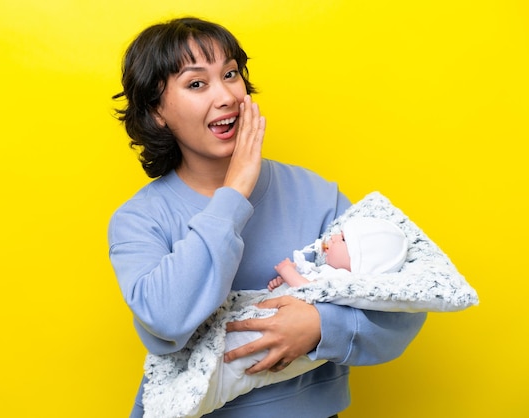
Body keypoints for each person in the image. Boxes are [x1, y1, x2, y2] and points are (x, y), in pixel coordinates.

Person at [108, 16, 427, 418]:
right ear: (156, 112)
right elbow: (166, 319)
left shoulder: (316, 195)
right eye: (196, 83)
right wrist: (234, 194)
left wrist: (321, 327)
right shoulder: (139, 219)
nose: (225, 96)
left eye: (230, 74)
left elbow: (405, 306)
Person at [269, 217, 409, 291]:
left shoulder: (341, 279)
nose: (334, 237)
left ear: (358, 260)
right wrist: (284, 283)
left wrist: (287, 271)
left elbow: (308, 290)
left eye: (343, 239)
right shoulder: (328, 270)